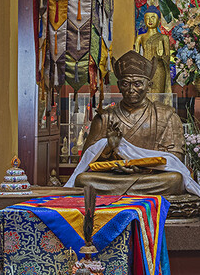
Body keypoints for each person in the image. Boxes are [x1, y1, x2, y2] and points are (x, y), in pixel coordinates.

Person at [73, 51, 189, 195]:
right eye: (125, 84)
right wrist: (108, 148)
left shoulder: (165, 115)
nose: (131, 89)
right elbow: (86, 160)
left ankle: (122, 193)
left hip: (151, 176)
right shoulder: (105, 117)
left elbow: (176, 158)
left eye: (137, 84)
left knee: (175, 180)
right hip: (114, 177)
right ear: (119, 86)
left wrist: (145, 167)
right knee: (83, 180)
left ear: (149, 85)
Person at [133, 11, 171, 93]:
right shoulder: (140, 37)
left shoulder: (164, 37)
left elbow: (168, 57)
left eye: (153, 17)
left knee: (158, 95)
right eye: (147, 18)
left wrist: (161, 56)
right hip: (144, 69)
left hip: (159, 69)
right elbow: (135, 56)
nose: (150, 20)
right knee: (144, 94)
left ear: (159, 20)